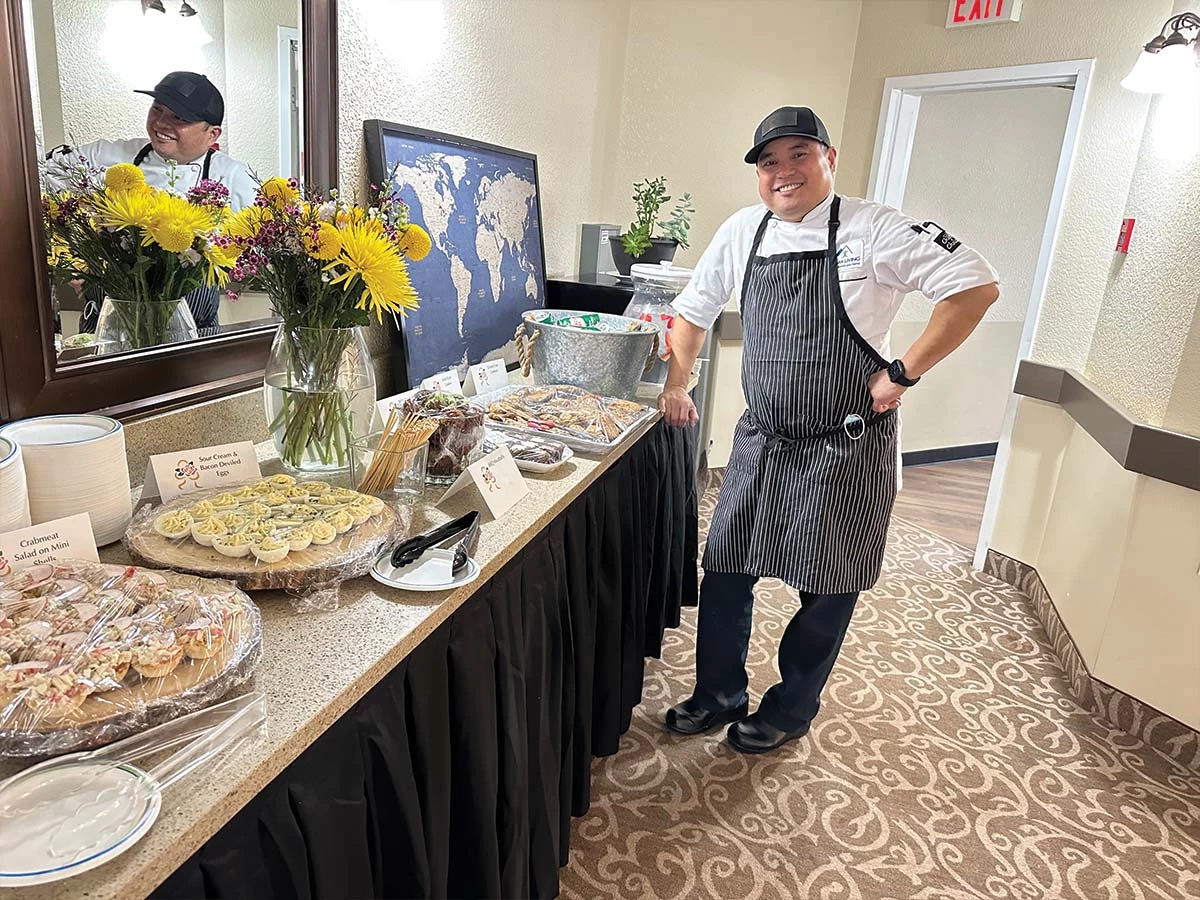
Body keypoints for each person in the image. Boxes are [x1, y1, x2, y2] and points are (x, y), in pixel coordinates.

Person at [660, 106, 1000, 754]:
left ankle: (791, 708)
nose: (783, 172)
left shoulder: (875, 229)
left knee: (829, 584)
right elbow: (691, 312)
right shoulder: (742, 231)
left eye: (798, 155)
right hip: (761, 441)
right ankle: (718, 693)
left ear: (829, 157)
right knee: (726, 570)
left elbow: (975, 287)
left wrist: (903, 373)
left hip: (845, 448)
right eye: (769, 161)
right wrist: (677, 384)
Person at [42, 71, 257, 335]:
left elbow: (260, 249)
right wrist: (74, 258)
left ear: (212, 134)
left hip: (191, 335)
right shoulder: (113, 156)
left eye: (179, 117)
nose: (161, 123)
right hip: (108, 328)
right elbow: (39, 177)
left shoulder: (234, 177)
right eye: (157, 109)